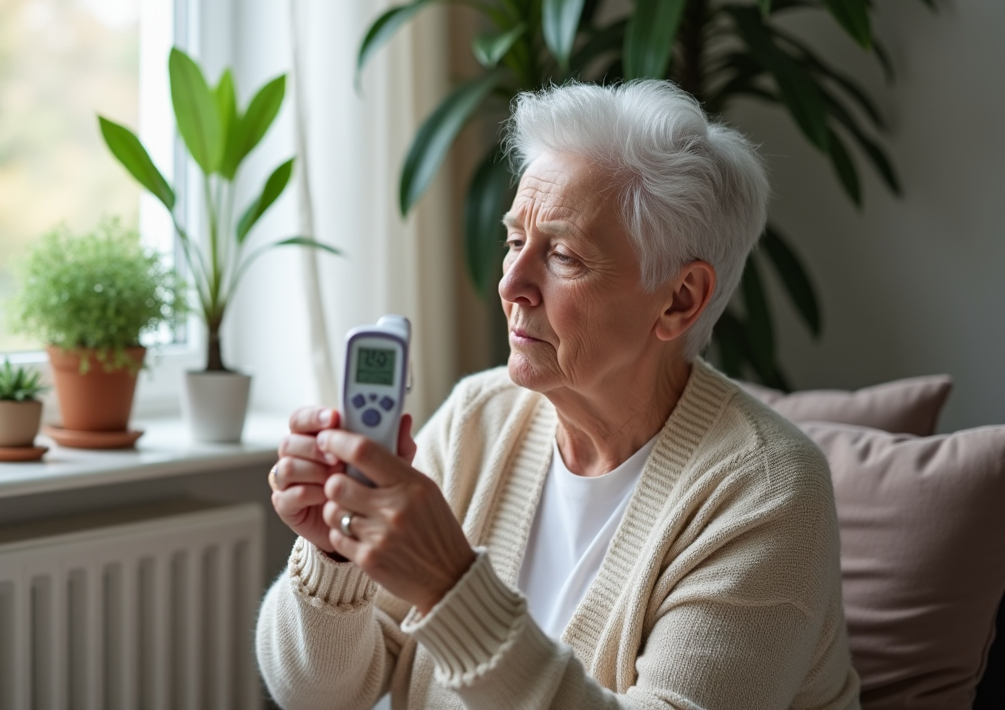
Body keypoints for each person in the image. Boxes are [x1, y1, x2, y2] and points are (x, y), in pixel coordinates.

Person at [257, 80, 860, 709]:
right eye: (515, 241)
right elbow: (318, 695)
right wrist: (333, 556)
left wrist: (448, 584)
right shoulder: (479, 418)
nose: (511, 283)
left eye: (564, 255)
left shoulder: (767, 488)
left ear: (680, 299)